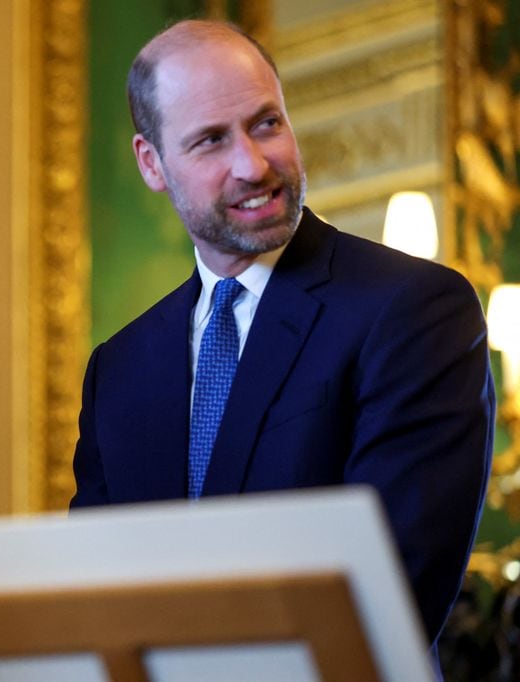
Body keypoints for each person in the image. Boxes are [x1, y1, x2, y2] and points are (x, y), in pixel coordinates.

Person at [70, 19, 494, 649]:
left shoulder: (414, 309)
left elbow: (388, 598)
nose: (253, 163)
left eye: (266, 122)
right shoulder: (120, 367)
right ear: (152, 163)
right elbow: (92, 598)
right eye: (211, 140)